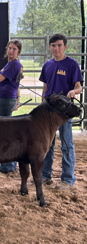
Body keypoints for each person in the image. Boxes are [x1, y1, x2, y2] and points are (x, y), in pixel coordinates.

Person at [40, 33, 83, 190]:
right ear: (50, 47)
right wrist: (42, 104)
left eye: (59, 45)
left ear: (65, 46)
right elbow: (45, 87)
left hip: (64, 110)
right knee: (47, 143)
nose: (56, 48)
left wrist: (73, 91)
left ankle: (67, 179)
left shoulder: (72, 64)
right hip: (48, 109)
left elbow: (79, 86)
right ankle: (45, 176)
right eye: (53, 45)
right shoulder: (47, 65)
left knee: (66, 143)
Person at [0, 39, 23, 173]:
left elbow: (0, 79)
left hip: (6, 100)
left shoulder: (14, 65)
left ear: (18, 51)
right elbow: (17, 83)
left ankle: (7, 166)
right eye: (9, 48)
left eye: (14, 49)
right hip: (8, 99)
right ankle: (10, 165)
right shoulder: (12, 64)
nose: (11, 51)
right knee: (8, 132)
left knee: (6, 133)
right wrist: (18, 99)